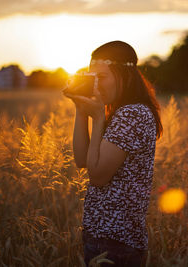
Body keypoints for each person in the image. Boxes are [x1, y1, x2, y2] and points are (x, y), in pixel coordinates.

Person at [64, 40, 163, 267]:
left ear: (125, 75)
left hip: (117, 241)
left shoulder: (133, 113)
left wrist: (98, 119)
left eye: (102, 77)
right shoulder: (120, 112)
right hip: (103, 236)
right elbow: (82, 160)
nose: (96, 85)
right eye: (92, 78)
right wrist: (81, 111)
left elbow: (97, 176)